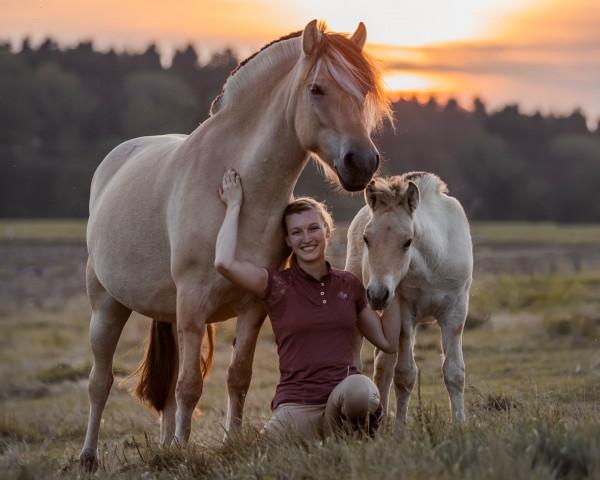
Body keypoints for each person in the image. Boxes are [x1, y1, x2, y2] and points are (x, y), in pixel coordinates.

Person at [214, 169, 399, 440]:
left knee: (360, 390)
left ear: (327, 231)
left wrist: (395, 277)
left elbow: (387, 341)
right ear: (288, 240)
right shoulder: (276, 285)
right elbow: (224, 263)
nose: (307, 238)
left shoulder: (348, 284)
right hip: (297, 404)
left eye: (314, 228)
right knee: (265, 452)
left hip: (345, 395)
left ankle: (351, 441)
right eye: (296, 232)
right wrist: (234, 206)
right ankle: (331, 437)